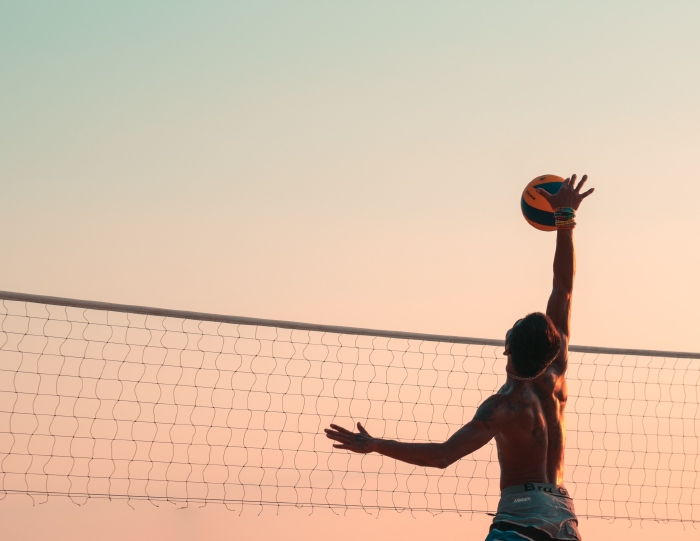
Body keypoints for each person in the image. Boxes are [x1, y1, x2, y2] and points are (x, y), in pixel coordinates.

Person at [325, 174, 594, 541]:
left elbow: (442, 456)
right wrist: (565, 217)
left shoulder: (502, 407)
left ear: (506, 348)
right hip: (564, 516)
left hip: (521, 517)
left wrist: (374, 445)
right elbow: (563, 288)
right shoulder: (556, 371)